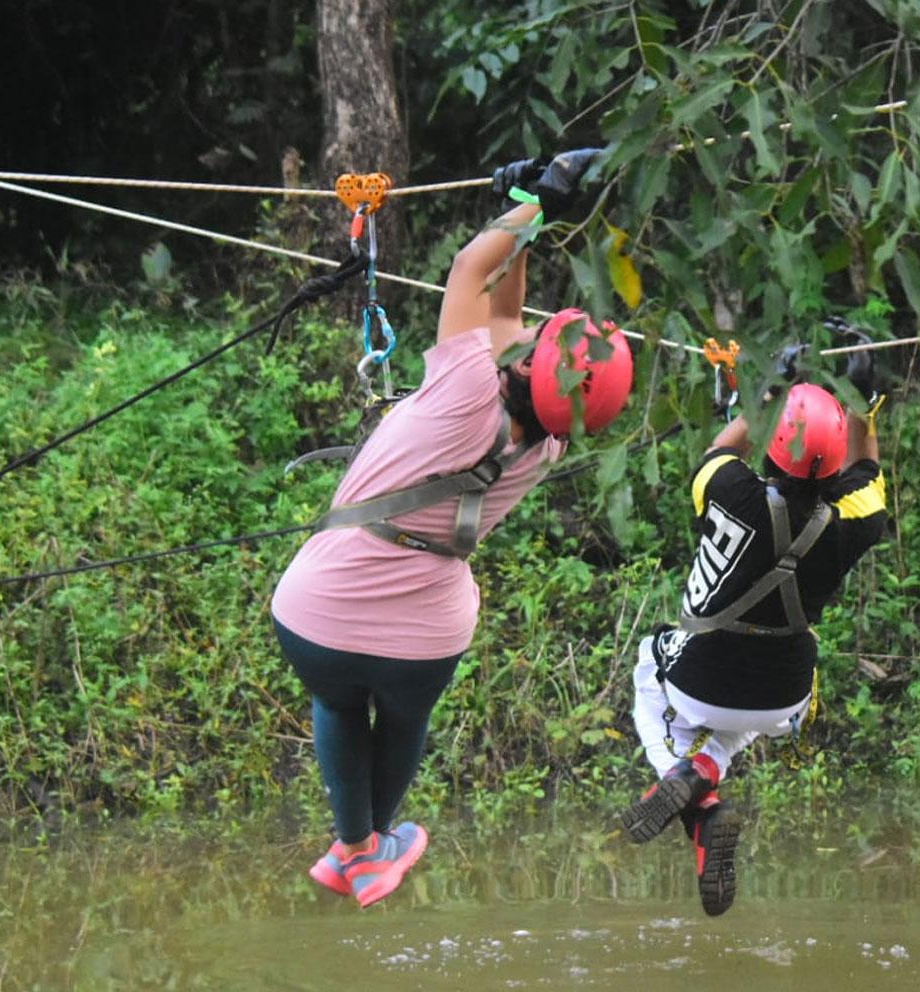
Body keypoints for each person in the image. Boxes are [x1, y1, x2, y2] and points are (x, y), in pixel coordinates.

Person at [270, 148, 633, 908]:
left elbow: (474, 276)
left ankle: (356, 846)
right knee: (403, 718)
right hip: (425, 634)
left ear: (532, 364)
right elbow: (505, 317)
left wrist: (534, 207)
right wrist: (523, 226)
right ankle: (366, 852)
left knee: (337, 703)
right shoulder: (547, 441)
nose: (529, 334)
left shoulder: (466, 384)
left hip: (319, 609)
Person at [619, 324, 888, 917]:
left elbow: (722, 447)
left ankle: (681, 777)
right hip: (784, 700)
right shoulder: (854, 525)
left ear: (773, 448)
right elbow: (870, 475)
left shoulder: (728, 489)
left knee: (648, 659)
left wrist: (768, 390)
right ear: (836, 460)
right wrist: (863, 402)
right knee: (767, 688)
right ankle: (707, 778)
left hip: (702, 677)